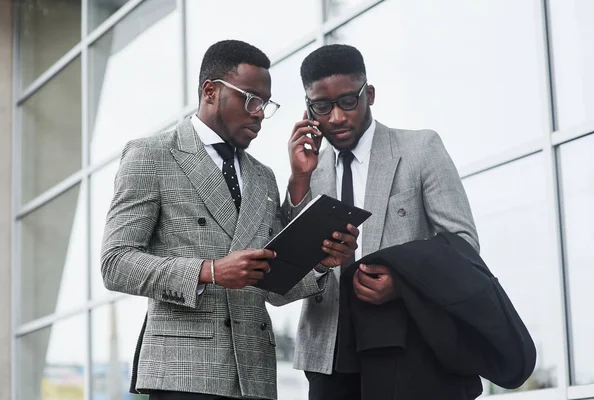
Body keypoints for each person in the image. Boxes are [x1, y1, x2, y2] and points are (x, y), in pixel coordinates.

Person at [101, 40, 358, 400]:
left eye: (265, 104)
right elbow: (115, 264)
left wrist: (319, 259)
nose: (259, 114)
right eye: (251, 99)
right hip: (184, 372)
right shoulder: (152, 155)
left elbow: (274, 284)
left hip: (255, 373)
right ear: (210, 91)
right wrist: (210, 271)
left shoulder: (262, 177)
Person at [284, 44, 479, 400]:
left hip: (405, 341)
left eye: (348, 101)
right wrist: (298, 180)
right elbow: (285, 271)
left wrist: (403, 283)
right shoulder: (308, 170)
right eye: (322, 107)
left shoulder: (420, 149)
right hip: (329, 351)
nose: (337, 118)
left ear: (368, 94)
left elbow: (463, 243)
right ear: (308, 109)